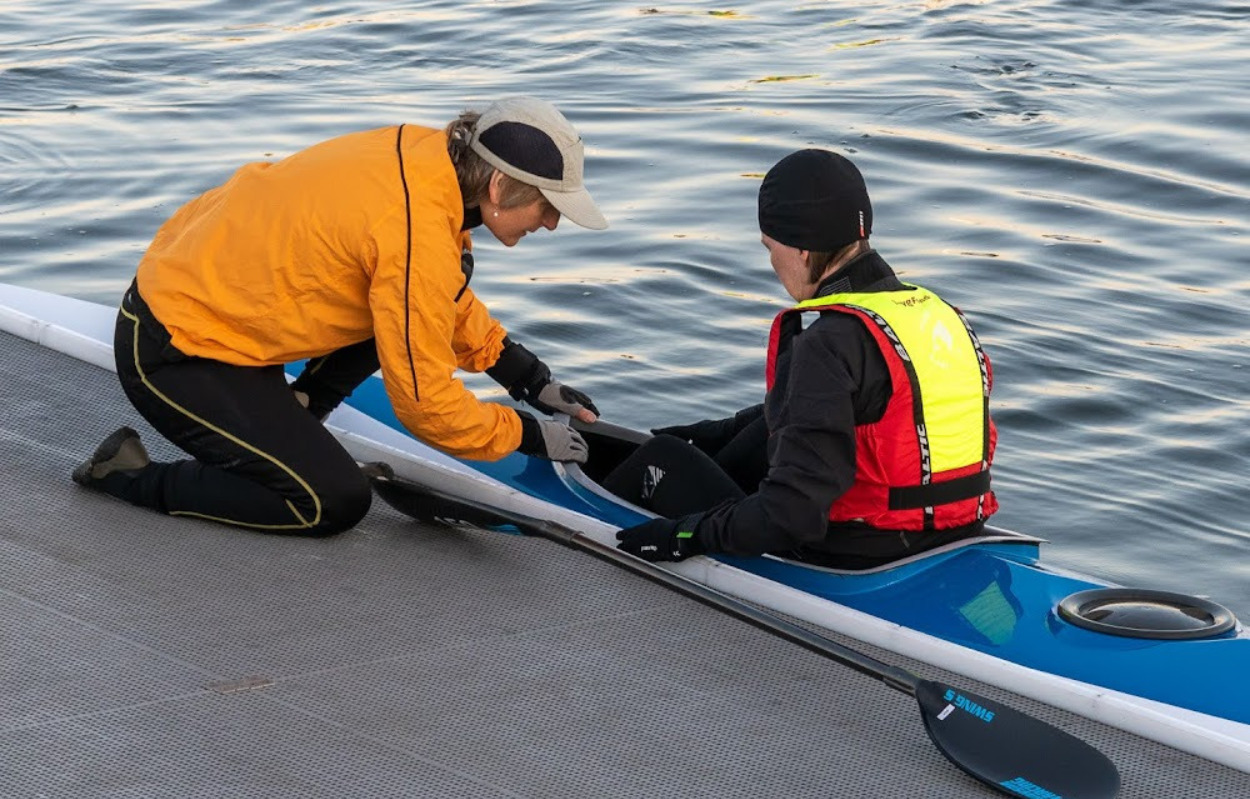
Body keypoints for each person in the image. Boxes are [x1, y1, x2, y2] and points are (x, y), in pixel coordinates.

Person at [73, 97, 606, 537]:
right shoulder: (414, 229)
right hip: (174, 350)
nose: (553, 223)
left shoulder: (430, 160)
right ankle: (126, 474)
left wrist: (523, 376)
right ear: (497, 188)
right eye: (547, 206)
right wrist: (524, 436)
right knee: (329, 502)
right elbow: (426, 406)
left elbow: (433, 292)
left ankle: (299, 411)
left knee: (403, 303)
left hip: (223, 318)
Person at [613, 149, 998, 570]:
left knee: (663, 456)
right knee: (746, 437)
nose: (772, 262)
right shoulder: (939, 316)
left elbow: (791, 517)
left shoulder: (827, 342)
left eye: (770, 247)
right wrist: (720, 431)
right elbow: (868, 413)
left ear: (799, 247)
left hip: (853, 554)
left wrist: (683, 536)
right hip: (951, 534)